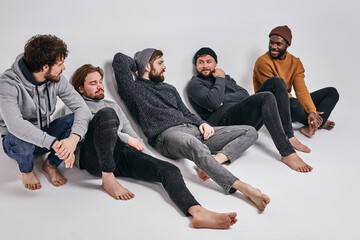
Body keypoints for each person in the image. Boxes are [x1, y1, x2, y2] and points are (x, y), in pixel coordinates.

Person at [61, 64, 237, 229]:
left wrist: (148, 160)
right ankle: (108, 180)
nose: (100, 86)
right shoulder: (73, 107)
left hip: (118, 154)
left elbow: (132, 134)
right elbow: (79, 131)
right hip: (92, 157)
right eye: (93, 83)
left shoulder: (112, 105)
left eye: (100, 82)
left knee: (169, 169)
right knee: (106, 115)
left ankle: (196, 211)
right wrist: (125, 139)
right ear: (80, 88)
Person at [112, 49, 270, 211]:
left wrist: (202, 123)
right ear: (147, 67)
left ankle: (210, 164)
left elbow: (186, 112)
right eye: (160, 63)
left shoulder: (169, 88)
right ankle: (244, 188)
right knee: (193, 143)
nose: (164, 66)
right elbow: (119, 60)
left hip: (193, 129)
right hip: (167, 135)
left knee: (250, 131)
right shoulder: (133, 90)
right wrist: (139, 64)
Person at [187, 47, 312, 173]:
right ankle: (287, 153)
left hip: (240, 114)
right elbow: (214, 103)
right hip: (222, 123)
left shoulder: (226, 78)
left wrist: (222, 99)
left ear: (215, 63)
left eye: (209, 61)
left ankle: (289, 135)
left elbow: (244, 95)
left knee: (277, 82)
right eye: (200, 62)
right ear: (196, 65)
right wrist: (220, 79)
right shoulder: (195, 84)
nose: (205, 66)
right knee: (266, 97)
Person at [0, 34, 92, 190]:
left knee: (75, 120)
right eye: (60, 64)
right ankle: (27, 168)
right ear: (45, 67)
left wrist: (73, 139)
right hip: (17, 141)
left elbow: (81, 108)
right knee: (20, 140)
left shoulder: (56, 78)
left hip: (46, 133)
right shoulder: (8, 83)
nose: (64, 68)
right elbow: (15, 125)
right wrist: (55, 144)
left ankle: (50, 164)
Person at [253, 25, 339, 137]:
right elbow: (275, 93)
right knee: (294, 104)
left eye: (278, 44)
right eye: (271, 42)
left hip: (290, 102)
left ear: (287, 45)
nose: (273, 47)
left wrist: (311, 111)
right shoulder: (263, 62)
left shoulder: (295, 62)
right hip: (273, 105)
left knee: (331, 92)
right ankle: (318, 123)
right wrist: (307, 109)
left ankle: (311, 123)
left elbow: (301, 89)